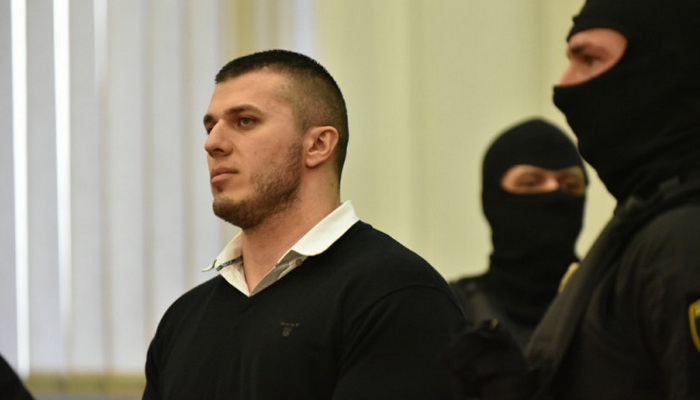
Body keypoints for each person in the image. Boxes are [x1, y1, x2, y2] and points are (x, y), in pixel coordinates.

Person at [142, 49, 466, 399]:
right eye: (210, 127)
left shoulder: (397, 294)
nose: (213, 143)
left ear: (317, 145)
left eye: (245, 121)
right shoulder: (183, 319)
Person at [523, 0, 700, 398]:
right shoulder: (643, 223)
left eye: (589, 59)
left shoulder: (683, 238)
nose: (564, 86)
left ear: (661, 71)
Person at [450, 118, 586, 350]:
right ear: (493, 200)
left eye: (570, 185)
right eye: (531, 183)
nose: (554, 193)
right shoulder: (451, 313)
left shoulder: (612, 307)